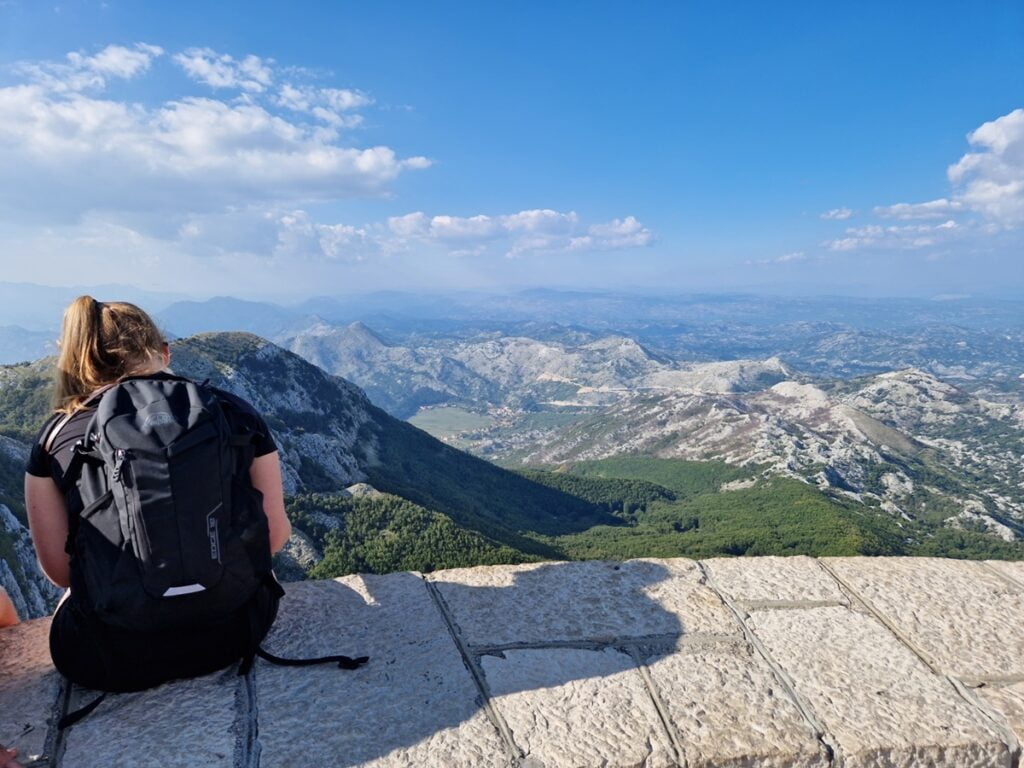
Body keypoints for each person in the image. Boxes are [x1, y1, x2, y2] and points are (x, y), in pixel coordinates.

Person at [24, 296, 292, 694]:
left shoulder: (55, 438)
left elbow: (61, 572)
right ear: (165, 353)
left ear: (80, 363)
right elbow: (275, 537)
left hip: (107, 657)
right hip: (235, 632)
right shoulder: (233, 412)